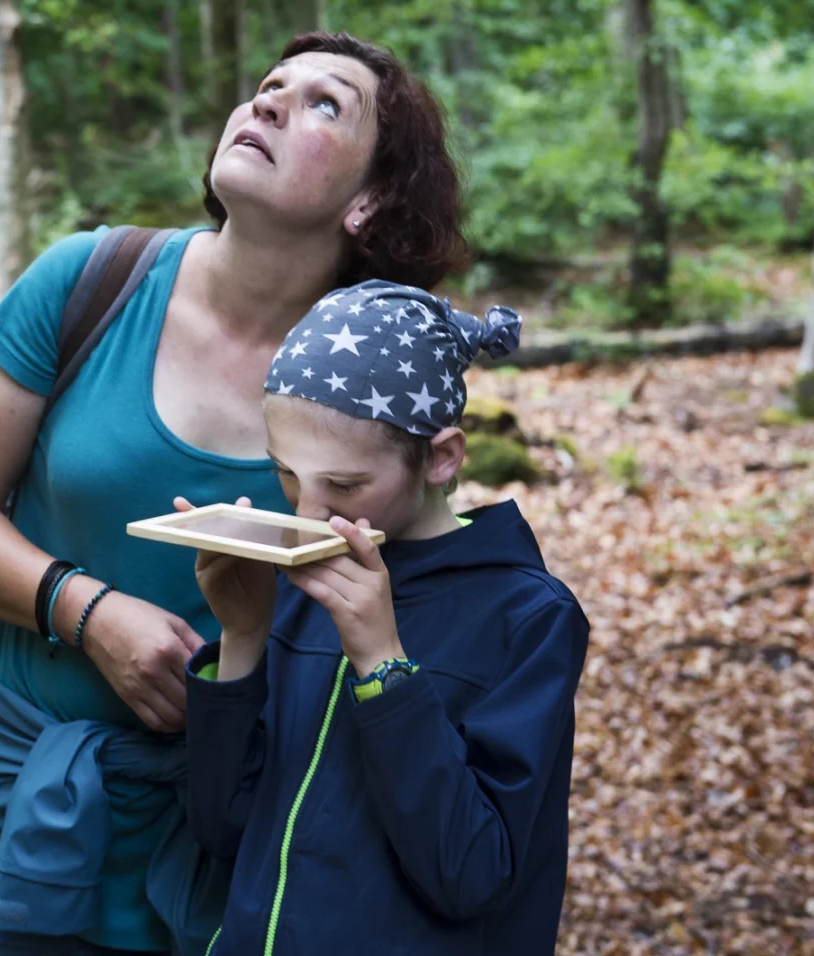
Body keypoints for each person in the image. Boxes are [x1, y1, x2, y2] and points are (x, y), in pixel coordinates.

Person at [0, 33, 468, 956]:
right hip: (23, 814)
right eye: (269, 86)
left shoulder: (378, 375)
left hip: (249, 839)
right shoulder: (89, 281)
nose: (271, 104)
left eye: (327, 104)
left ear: (371, 201)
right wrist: (88, 613)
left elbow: (425, 589)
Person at [182, 280, 589, 955]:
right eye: (286, 474)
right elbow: (224, 827)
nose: (308, 513)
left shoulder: (528, 618)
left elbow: (471, 873)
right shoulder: (300, 585)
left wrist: (383, 664)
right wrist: (243, 638)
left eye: (343, 486)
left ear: (441, 457)